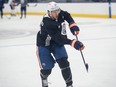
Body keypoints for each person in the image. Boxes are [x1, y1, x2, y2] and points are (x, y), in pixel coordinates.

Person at [36, 2, 85, 87]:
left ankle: (69, 85)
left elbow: (66, 15)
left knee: (64, 63)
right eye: (54, 12)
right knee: (47, 69)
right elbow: (59, 39)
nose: (57, 13)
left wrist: (72, 25)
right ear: (49, 12)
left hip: (56, 42)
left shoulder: (58, 13)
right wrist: (73, 42)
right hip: (44, 44)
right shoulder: (47, 22)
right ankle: (43, 77)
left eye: (57, 10)